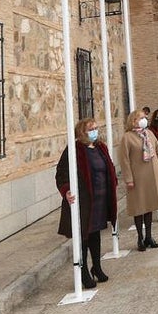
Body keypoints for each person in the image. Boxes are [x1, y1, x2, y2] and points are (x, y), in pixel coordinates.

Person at [56, 118, 118, 289]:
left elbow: (109, 167)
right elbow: (61, 173)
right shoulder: (74, 149)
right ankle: (83, 272)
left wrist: (113, 181)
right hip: (84, 201)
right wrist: (66, 191)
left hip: (100, 200)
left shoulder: (101, 147)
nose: (94, 131)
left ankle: (96, 267)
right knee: (83, 236)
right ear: (82, 132)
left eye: (96, 128)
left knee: (95, 234)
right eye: (91, 129)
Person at [121, 108, 158, 252]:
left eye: (144, 117)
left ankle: (149, 236)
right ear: (133, 121)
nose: (144, 120)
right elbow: (124, 160)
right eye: (140, 118)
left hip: (152, 175)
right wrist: (128, 179)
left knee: (149, 206)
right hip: (137, 177)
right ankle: (140, 237)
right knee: (139, 207)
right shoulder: (127, 137)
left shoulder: (149, 134)